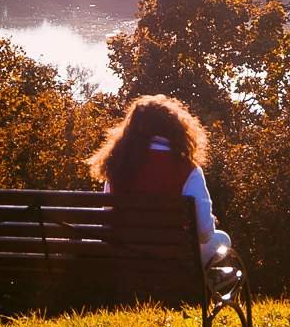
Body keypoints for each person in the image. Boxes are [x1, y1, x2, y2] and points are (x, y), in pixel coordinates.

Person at [86, 94, 235, 267]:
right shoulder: (188, 169)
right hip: (172, 259)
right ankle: (208, 284)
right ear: (175, 127)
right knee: (222, 239)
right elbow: (204, 233)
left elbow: (108, 216)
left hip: (125, 258)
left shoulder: (118, 165)